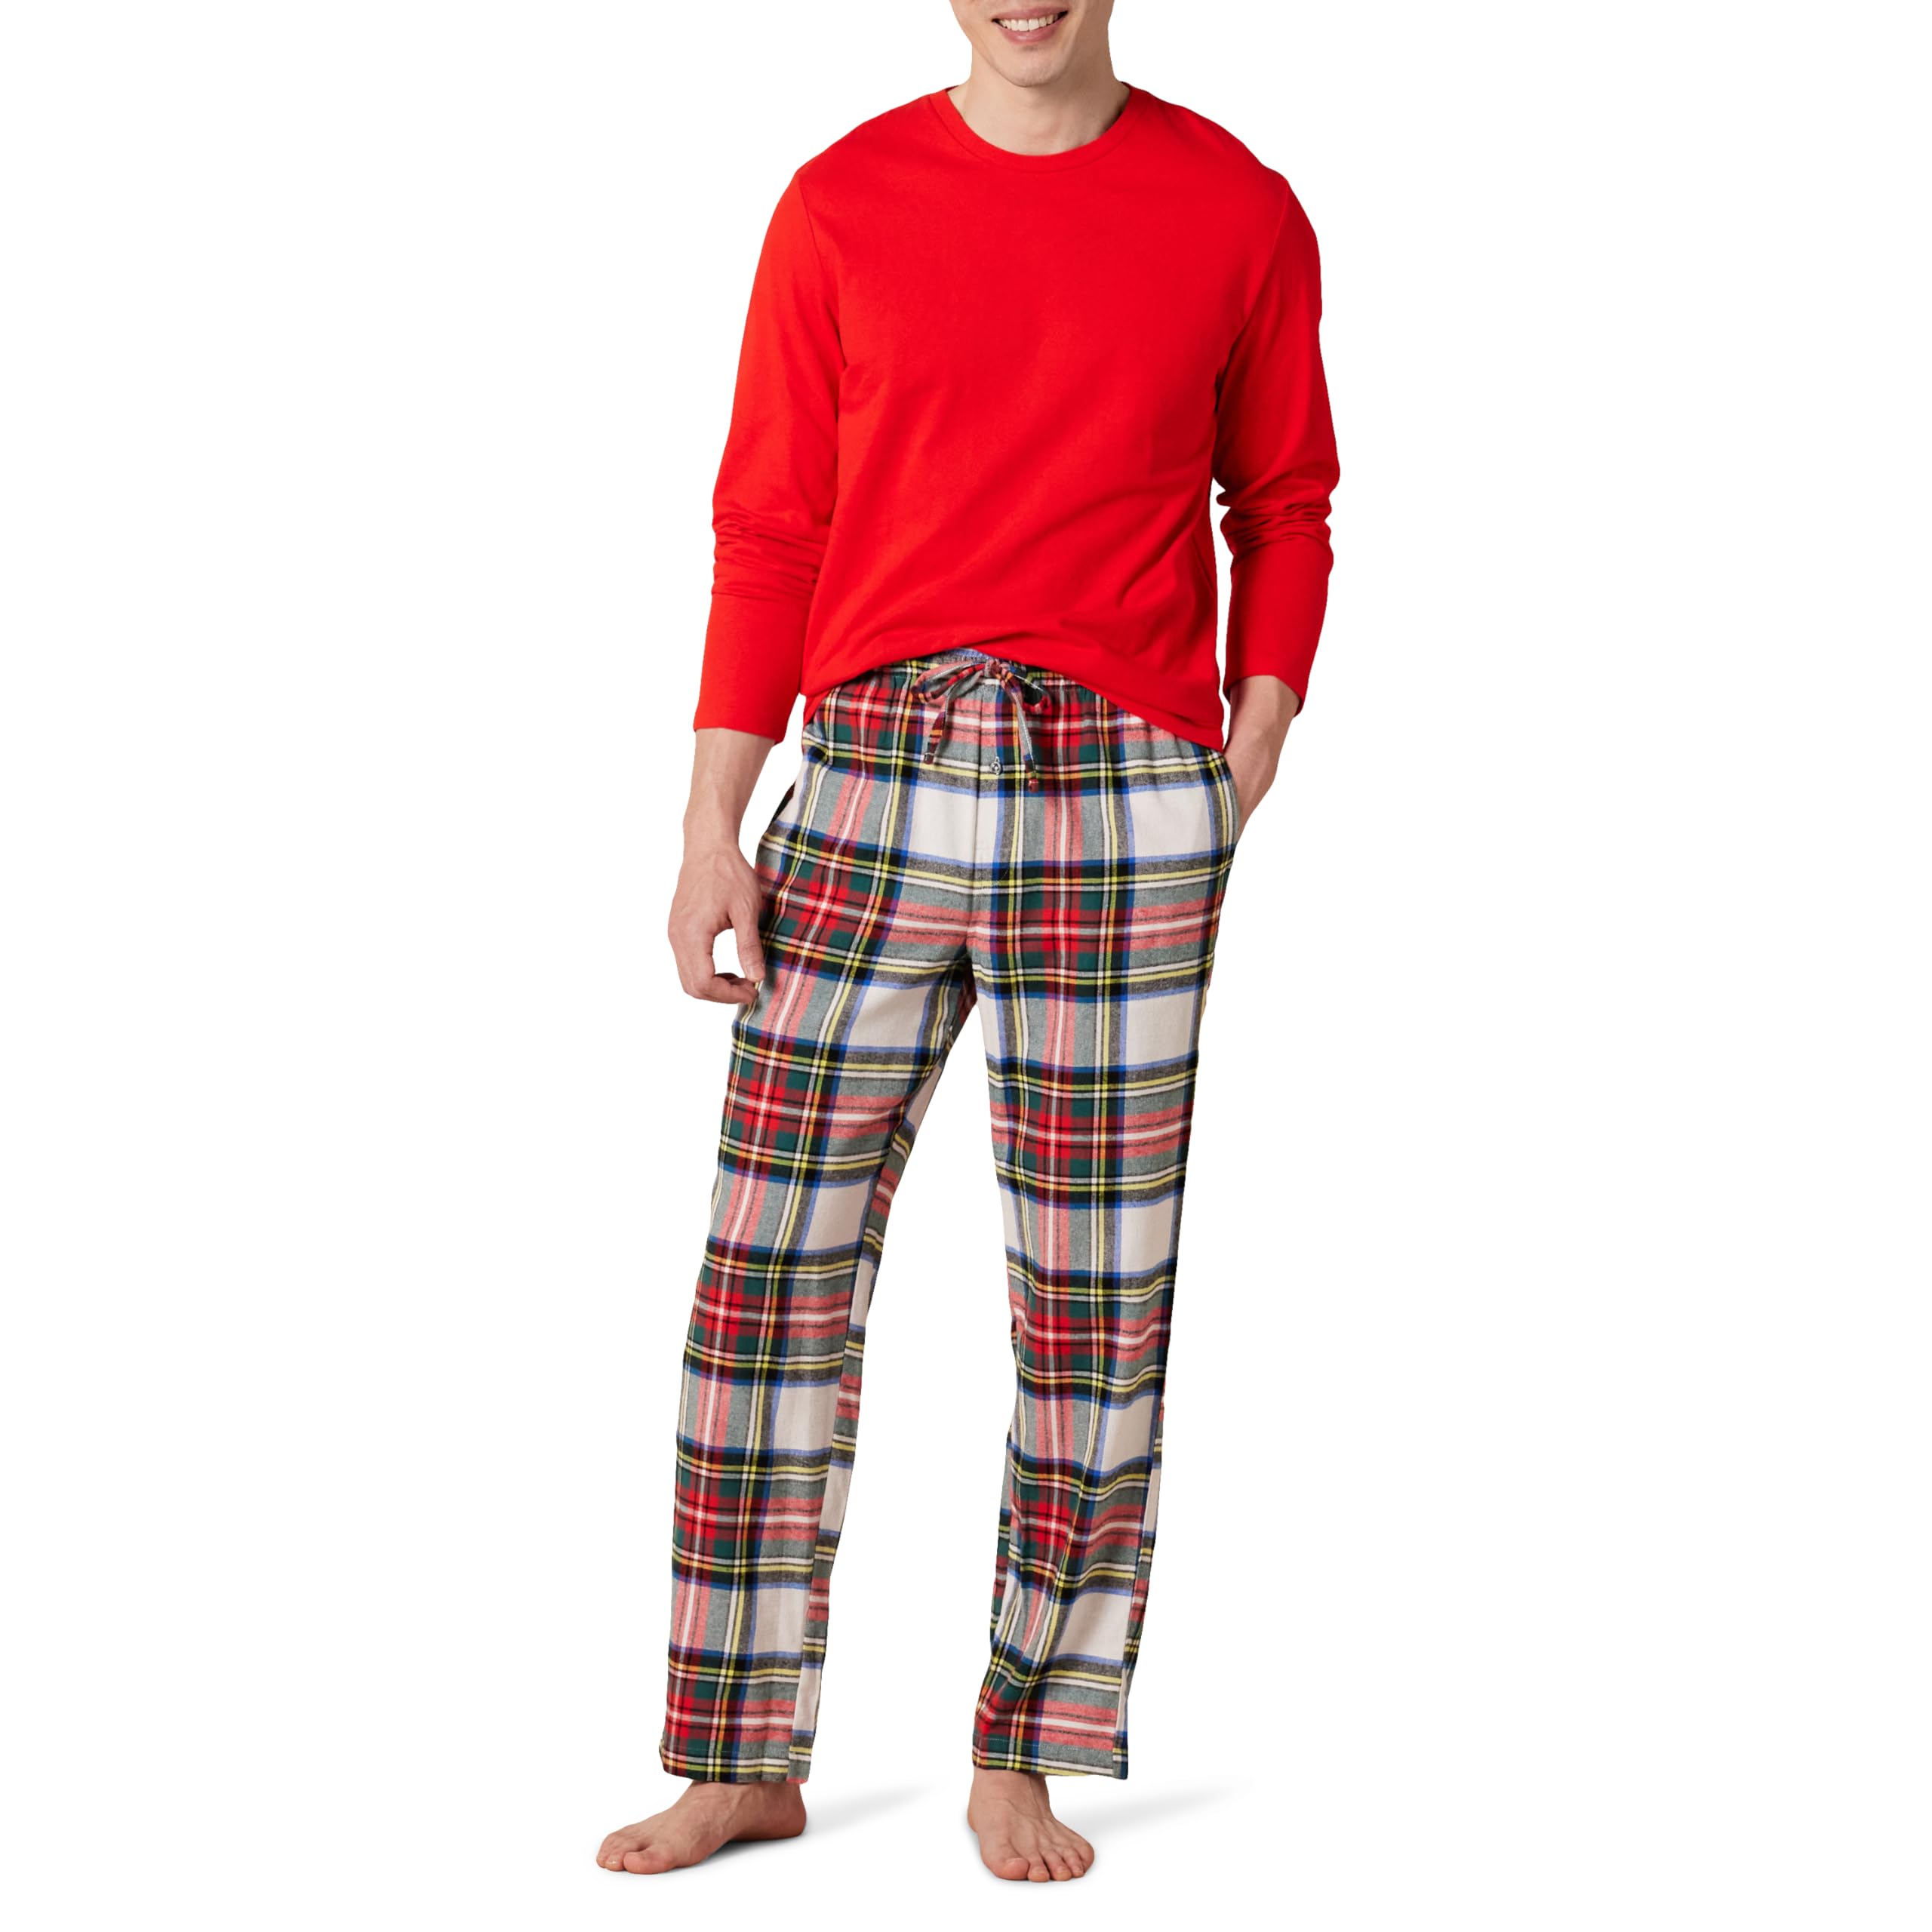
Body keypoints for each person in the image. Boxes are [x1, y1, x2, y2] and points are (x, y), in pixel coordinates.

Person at [599, 0, 1337, 1884]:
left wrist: (1244, 742)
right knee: (767, 1266)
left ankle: (1028, 1742)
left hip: (1121, 784)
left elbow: (1284, 504)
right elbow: (769, 521)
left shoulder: (1236, 207)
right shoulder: (839, 203)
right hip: (870, 763)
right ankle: (739, 1748)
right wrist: (710, 821)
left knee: (1093, 1290)